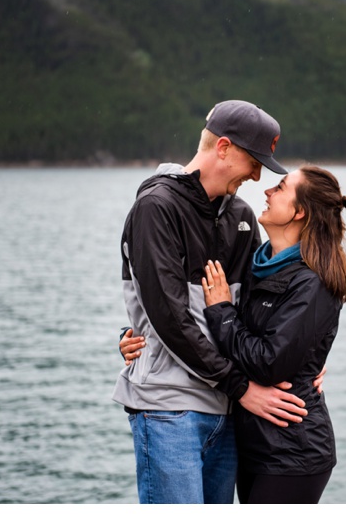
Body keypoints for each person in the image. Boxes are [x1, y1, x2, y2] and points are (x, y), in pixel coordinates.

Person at [112, 100, 311, 504]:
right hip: (170, 408)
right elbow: (169, 318)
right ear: (223, 148)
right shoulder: (156, 208)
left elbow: (260, 312)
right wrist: (241, 387)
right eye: (254, 161)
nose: (258, 175)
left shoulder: (240, 216)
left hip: (227, 412)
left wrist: (308, 360)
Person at [202, 166, 346, 503]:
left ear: (300, 211)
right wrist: (137, 337)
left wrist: (221, 311)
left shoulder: (313, 283)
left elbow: (269, 362)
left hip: (294, 451)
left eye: (280, 187)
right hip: (254, 445)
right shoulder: (257, 265)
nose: (267, 191)